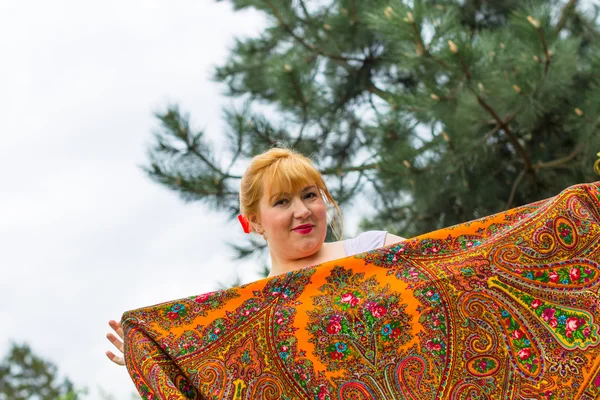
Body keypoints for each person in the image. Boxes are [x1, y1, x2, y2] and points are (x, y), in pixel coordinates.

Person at [105, 146, 406, 366]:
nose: (302, 211)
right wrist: (153, 362)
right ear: (252, 222)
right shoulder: (251, 316)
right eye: (282, 201)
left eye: (310, 195)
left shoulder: (376, 249)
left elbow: (450, 273)